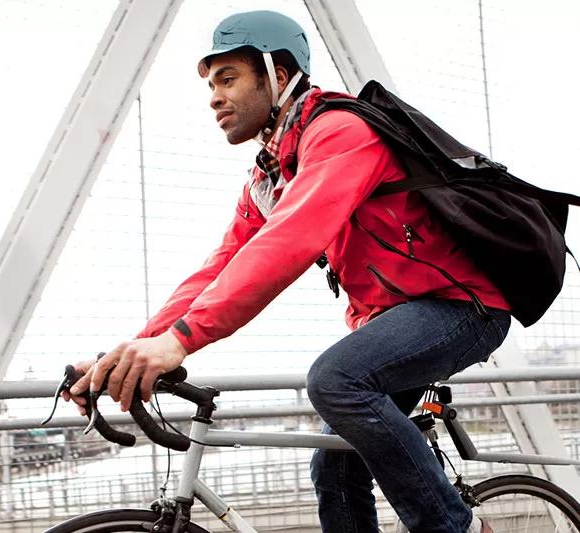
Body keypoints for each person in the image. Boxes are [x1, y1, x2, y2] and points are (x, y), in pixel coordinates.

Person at [66, 10, 509, 533]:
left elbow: (288, 242)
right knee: (334, 462)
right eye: (210, 83)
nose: (213, 96)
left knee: (336, 379)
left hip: (462, 307)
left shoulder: (342, 132)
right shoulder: (270, 174)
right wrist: (132, 350)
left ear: (278, 75)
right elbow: (222, 266)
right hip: (394, 318)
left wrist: (181, 341)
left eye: (228, 78)